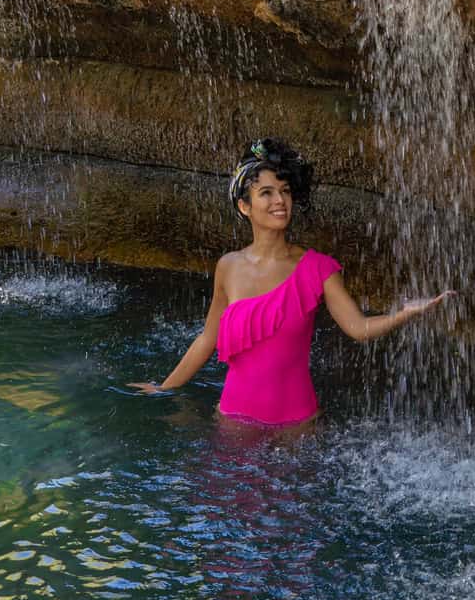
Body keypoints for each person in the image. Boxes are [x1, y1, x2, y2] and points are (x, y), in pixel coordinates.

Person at [127, 138, 455, 424]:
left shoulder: (318, 268)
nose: (279, 201)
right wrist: (163, 389)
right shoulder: (228, 266)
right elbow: (207, 339)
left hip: (296, 428)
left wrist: (405, 313)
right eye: (266, 193)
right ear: (245, 206)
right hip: (233, 421)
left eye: (284, 191)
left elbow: (359, 328)